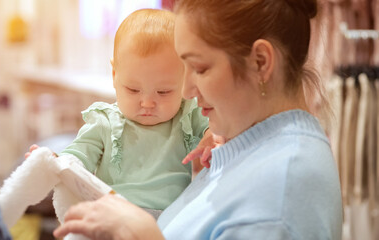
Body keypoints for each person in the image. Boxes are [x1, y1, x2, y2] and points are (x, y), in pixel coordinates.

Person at [52, 0, 343, 239]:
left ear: (261, 62)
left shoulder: (283, 194)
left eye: (200, 69)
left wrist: (142, 234)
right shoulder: (247, 145)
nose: (186, 90)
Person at [26, 8, 210, 216]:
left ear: (185, 80)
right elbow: (79, 154)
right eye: (133, 89)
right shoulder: (105, 122)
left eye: (164, 92)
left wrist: (212, 136)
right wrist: (56, 161)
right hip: (114, 216)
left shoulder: (187, 114)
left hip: (171, 219)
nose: (148, 102)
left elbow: (215, 128)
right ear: (114, 75)